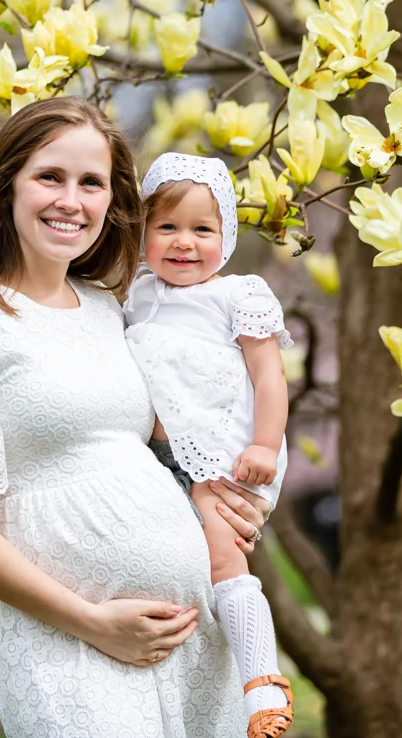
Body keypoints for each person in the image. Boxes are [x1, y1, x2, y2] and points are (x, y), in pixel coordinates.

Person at [0, 97, 270, 738]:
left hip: (194, 634)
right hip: (69, 637)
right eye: (50, 177)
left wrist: (229, 498)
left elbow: (173, 437)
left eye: (90, 182)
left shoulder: (106, 307)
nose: (71, 200)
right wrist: (91, 621)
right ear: (7, 183)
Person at [124, 153, 294, 738]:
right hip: (154, 463)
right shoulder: (135, 297)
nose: (184, 243)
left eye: (202, 229)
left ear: (225, 236)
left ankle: (263, 687)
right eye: (166, 227)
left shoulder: (238, 295)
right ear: (142, 233)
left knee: (224, 555)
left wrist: (266, 447)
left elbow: (269, 377)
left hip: (222, 459)